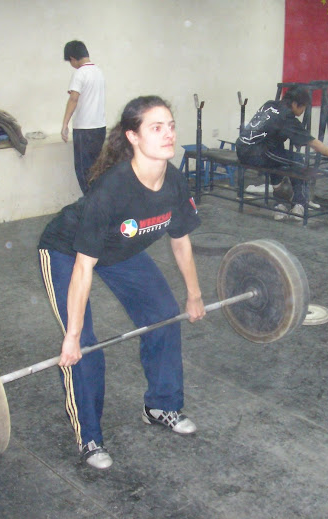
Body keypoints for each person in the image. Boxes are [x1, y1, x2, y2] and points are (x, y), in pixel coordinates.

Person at [39, 96, 206, 470]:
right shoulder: (111, 190)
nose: (168, 134)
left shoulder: (174, 181)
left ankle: (161, 405)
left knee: (164, 314)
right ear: (133, 136)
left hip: (120, 251)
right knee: (85, 344)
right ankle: (90, 438)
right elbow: (83, 267)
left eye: (170, 125)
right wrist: (72, 335)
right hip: (68, 250)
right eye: (156, 128)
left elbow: (180, 241)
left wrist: (194, 295)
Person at [236, 86, 328, 221]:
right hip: (256, 153)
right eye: (303, 107)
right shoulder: (286, 118)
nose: (303, 111)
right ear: (295, 104)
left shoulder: (270, 104)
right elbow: (312, 142)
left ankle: (280, 204)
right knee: (297, 160)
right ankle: (300, 202)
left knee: (279, 162)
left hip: (242, 148)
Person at [61, 40, 106, 194]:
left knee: (83, 170)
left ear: (73, 58)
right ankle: (98, 203)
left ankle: (90, 205)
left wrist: (65, 124)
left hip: (84, 130)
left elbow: (73, 99)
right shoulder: (99, 72)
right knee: (97, 169)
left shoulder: (80, 73)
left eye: (70, 61)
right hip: (100, 128)